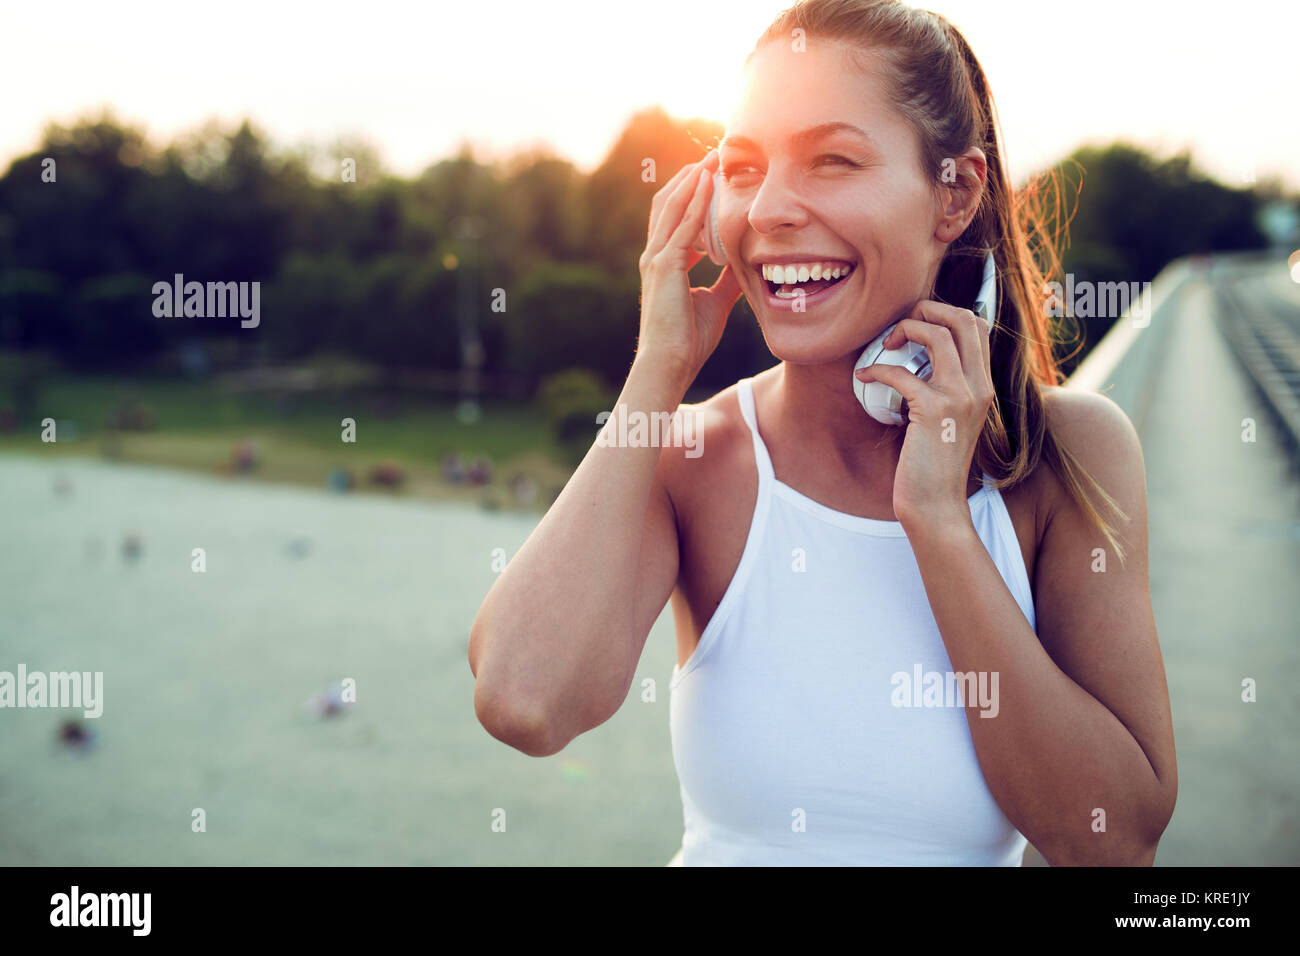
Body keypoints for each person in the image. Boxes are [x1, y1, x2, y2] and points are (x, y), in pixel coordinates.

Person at [469, 0, 1177, 866]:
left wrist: (940, 526)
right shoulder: (688, 453)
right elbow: (525, 702)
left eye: (833, 160)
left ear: (954, 194)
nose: (769, 209)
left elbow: (1113, 840)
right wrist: (656, 370)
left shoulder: (1069, 454)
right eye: (742, 167)